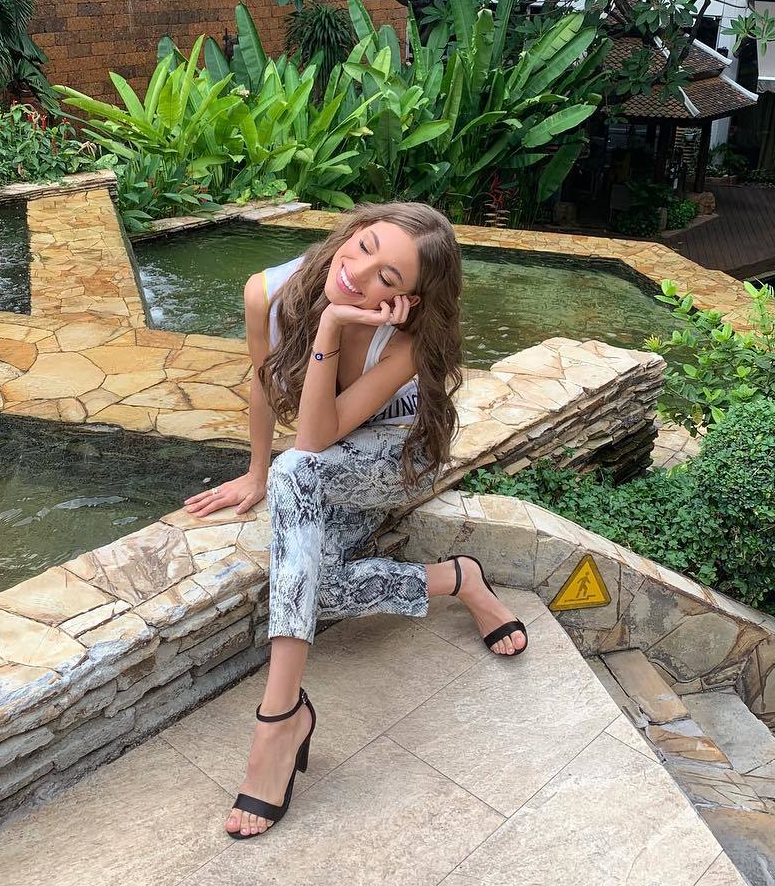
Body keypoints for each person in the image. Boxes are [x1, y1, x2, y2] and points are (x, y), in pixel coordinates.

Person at [182, 201, 530, 841]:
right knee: (310, 578)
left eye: (386, 279)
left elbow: (313, 440)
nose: (359, 272)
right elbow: (262, 382)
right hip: (324, 462)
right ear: (353, 231)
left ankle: (277, 718)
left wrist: (331, 327)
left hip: (393, 460)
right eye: (364, 247)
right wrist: (256, 473)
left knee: (296, 470)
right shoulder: (267, 293)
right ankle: (455, 579)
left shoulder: (405, 341)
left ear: (409, 301)